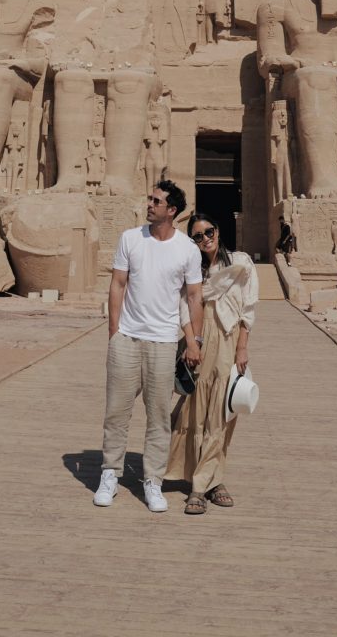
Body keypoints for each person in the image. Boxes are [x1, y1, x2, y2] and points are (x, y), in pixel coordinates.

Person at [93, 180, 204, 512]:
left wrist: (194, 340)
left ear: (172, 211)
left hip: (164, 340)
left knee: (158, 416)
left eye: (156, 200)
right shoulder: (131, 238)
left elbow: (195, 296)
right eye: (150, 198)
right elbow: (117, 284)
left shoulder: (187, 248)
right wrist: (114, 331)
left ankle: (152, 480)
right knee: (116, 412)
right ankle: (110, 473)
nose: (149, 203)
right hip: (127, 337)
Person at [166, 212, 259, 515]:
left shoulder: (241, 262)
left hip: (228, 340)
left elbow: (248, 308)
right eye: (197, 235)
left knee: (222, 411)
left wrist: (242, 348)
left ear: (218, 231)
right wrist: (191, 342)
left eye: (209, 232)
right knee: (195, 410)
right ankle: (210, 479)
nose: (205, 239)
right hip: (199, 340)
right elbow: (183, 307)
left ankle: (200, 486)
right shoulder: (191, 270)